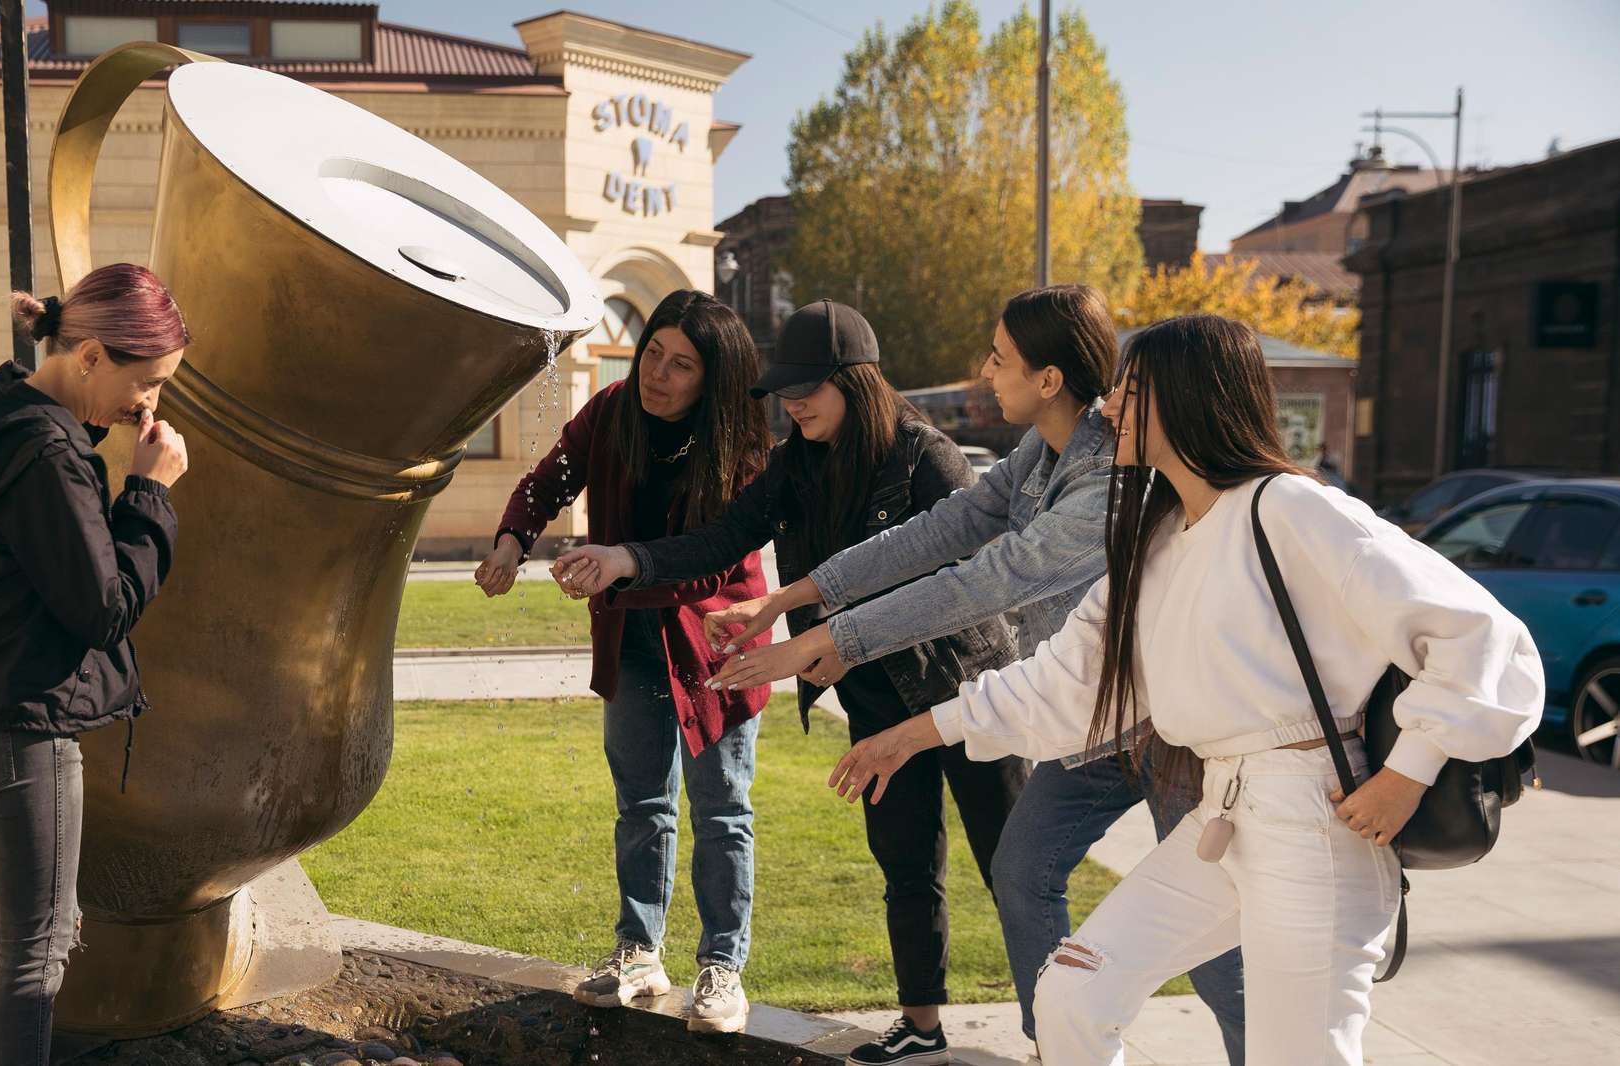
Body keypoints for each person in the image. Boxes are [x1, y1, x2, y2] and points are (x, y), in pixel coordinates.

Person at [831, 314, 1543, 1065]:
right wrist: (911, 735)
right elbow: (1061, 682)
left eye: (1131, 391)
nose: (1108, 408)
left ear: (1190, 398)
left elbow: (1483, 636)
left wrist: (1408, 773)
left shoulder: (1293, 510)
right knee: (1074, 994)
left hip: (1315, 827)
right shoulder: (1157, 538)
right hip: (1223, 817)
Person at [701, 286, 1248, 1061]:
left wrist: (833, 639)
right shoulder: (1044, 450)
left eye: (999, 357)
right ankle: (1056, 1047)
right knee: (1024, 873)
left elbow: (985, 580)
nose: (984, 371)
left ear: (1049, 378)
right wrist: (796, 596)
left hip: (1167, 731)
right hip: (1086, 718)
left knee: (1216, 951)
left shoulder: (1109, 482)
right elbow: (944, 531)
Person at [554, 298, 1024, 1066]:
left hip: (965, 693)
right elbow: (723, 537)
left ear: (857, 381)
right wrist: (627, 559)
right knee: (908, 867)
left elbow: (965, 581)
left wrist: (834, 636)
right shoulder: (796, 465)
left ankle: (1059, 1035)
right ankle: (922, 1032)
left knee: (1016, 871)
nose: (792, 401)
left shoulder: (922, 456)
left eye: (809, 385)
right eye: (786, 387)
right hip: (876, 701)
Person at [0, 263, 192, 1066]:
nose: (150, 404)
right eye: (147, 381)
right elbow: (105, 607)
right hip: (25, 723)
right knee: (43, 948)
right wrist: (149, 493)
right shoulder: (47, 458)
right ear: (90, 354)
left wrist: (101, 448)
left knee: (31, 933)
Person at [478, 289, 775, 1033]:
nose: (659, 375)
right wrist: (513, 538)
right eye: (653, 355)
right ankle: (638, 952)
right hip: (631, 635)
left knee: (722, 810)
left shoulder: (739, 440)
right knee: (641, 802)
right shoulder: (612, 411)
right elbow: (552, 476)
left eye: (682, 366)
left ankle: (722, 967)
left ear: (713, 380)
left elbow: (714, 564)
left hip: (717, 643)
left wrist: (621, 561)